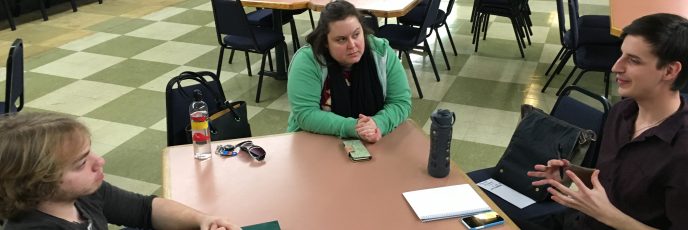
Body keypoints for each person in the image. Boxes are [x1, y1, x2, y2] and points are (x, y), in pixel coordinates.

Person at [527, 13, 688, 229]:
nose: (616, 67)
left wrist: (608, 215)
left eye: (633, 60)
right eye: (621, 55)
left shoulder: (682, 152)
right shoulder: (621, 112)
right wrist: (571, 175)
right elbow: (614, 179)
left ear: (670, 70)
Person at [0, 112, 241, 230]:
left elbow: (145, 209)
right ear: (38, 183)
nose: (100, 161)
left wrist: (202, 220)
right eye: (81, 163)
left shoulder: (83, 194)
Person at [286, 0, 412, 143]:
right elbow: (306, 114)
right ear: (326, 42)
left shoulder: (382, 52)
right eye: (341, 39)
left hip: (372, 139)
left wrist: (378, 123)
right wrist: (354, 127)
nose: (352, 45)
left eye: (356, 34)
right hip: (315, 140)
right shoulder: (308, 61)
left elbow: (400, 102)